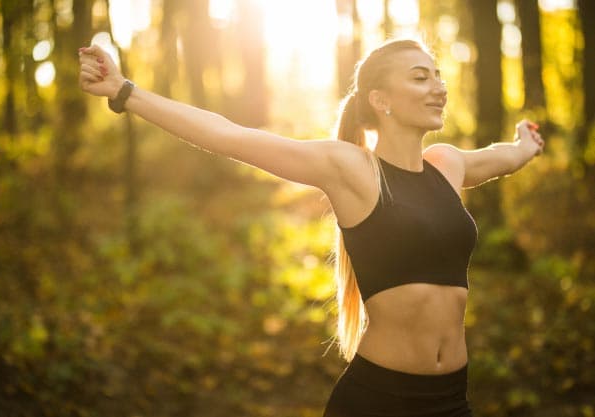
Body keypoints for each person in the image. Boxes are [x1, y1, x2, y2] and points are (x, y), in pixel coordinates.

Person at [79, 38, 544, 417]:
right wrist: (125, 92)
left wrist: (526, 143)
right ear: (380, 100)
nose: (438, 86)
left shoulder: (447, 166)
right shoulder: (352, 168)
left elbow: (505, 157)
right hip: (381, 402)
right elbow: (229, 135)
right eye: (420, 78)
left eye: (438, 76)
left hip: (451, 401)